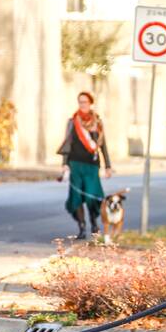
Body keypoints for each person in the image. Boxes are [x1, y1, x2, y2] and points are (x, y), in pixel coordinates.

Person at [57, 91, 112, 239]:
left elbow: (103, 145)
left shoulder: (97, 122)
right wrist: (64, 164)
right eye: (80, 102)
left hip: (92, 165)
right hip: (75, 164)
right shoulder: (73, 121)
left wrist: (107, 165)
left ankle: (94, 223)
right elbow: (67, 143)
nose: (82, 105)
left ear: (90, 103)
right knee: (76, 197)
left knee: (92, 196)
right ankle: (82, 227)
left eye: (85, 102)